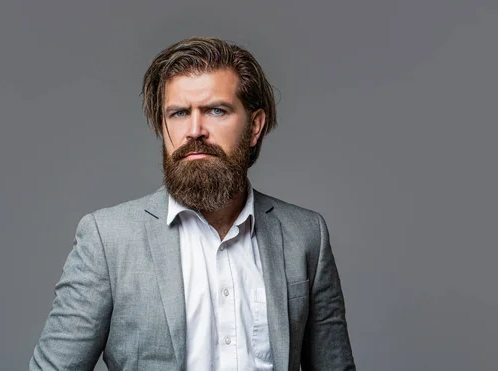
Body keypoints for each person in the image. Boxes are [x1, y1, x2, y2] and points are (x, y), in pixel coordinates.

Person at [29, 36, 355, 371]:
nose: (194, 130)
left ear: (255, 126)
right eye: (179, 113)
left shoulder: (306, 235)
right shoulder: (107, 239)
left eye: (216, 110)